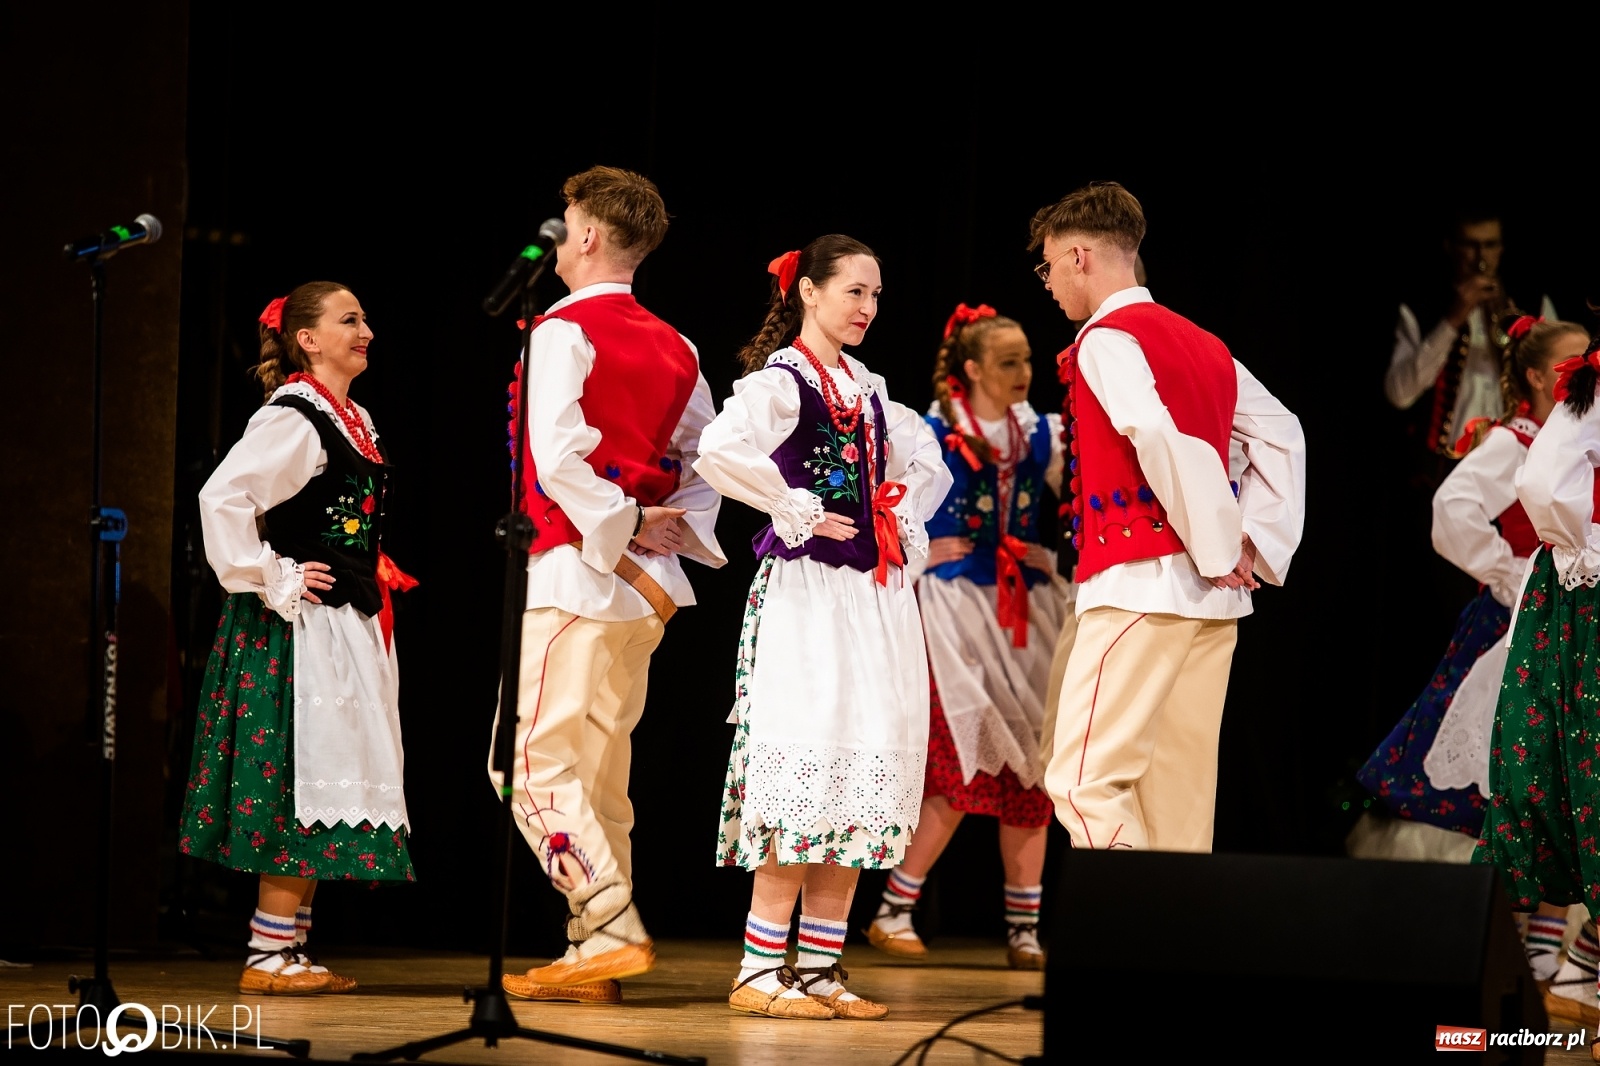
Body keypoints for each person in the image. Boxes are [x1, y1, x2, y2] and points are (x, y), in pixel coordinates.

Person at [694, 235, 951, 1020]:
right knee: (806, 760)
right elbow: (720, 448)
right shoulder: (784, 381)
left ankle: (818, 968)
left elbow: (925, 459)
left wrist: (895, 509)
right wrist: (790, 504)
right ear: (808, 290)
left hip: (871, 599)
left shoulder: (867, 387)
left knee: (858, 765)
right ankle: (757, 971)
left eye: (876, 295)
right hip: (808, 599)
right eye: (854, 291)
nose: (868, 307)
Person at [491, 166, 726, 1004]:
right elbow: (710, 457)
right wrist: (669, 527)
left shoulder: (560, 330)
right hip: (646, 591)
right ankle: (594, 950)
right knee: (598, 773)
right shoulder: (678, 345)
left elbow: (557, 458)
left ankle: (608, 917)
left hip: (577, 574)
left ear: (586, 236)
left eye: (566, 222)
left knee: (525, 763)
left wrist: (623, 522)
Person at [1034, 181, 1307, 853]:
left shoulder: (1105, 339)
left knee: (1082, 781)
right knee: (1178, 799)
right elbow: (1282, 433)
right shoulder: (1206, 344)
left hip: (1139, 586)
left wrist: (1221, 546)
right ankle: (1176, 923)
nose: (1049, 285)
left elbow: (1155, 433)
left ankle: (1128, 914)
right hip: (1211, 603)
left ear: (1078, 257)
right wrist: (1253, 539)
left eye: (1047, 267)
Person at [180, 281, 418, 995]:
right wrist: (272, 573)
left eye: (366, 317)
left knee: (327, 778)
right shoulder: (294, 417)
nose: (366, 330)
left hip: (343, 624)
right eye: (349, 319)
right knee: (299, 776)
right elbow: (222, 498)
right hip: (298, 629)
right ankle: (266, 954)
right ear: (307, 339)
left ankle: (289, 950)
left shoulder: (352, 418)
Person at [863, 303, 1069, 970]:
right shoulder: (929, 432)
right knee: (956, 763)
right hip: (952, 611)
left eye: (1028, 359)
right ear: (974, 368)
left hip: (1025, 612)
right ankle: (895, 908)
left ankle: (1024, 928)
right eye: (1008, 362)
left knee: (1033, 768)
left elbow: (1083, 497)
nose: (1023, 372)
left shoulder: (1042, 434)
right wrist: (924, 553)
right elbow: (882, 510)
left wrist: (1048, 556)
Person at [1476, 321, 1600, 1045]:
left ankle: (1576, 962)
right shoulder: (1588, 390)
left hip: (1572, 590)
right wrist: (1583, 549)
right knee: (1562, 771)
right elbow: (1539, 480)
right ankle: (1545, 961)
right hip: (1576, 595)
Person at [1383, 209, 1558, 479]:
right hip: (1447, 467)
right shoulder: (1421, 309)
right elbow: (1399, 394)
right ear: (1450, 247)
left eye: (1490, 245)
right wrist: (1453, 319)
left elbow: (1557, 385)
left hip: (1519, 462)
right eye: (1471, 245)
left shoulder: (1532, 303)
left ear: (1501, 248)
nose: (1481, 258)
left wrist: (1516, 335)